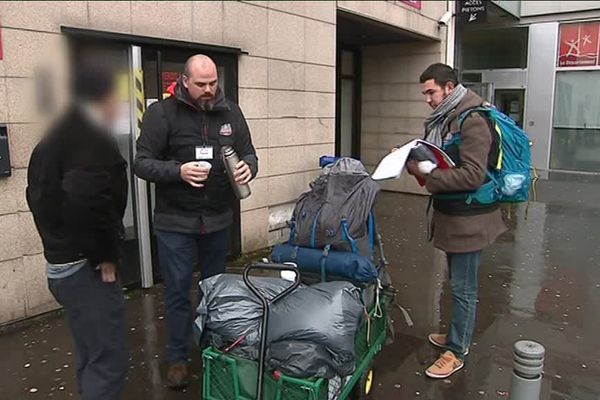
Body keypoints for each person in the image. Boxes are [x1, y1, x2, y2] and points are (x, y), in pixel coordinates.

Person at [133, 54, 258, 388]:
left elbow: (249, 153)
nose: (208, 90)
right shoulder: (162, 113)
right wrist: (178, 171)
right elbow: (141, 163)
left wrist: (249, 167)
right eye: (201, 84)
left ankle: (213, 351)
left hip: (217, 220)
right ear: (184, 81)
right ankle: (177, 358)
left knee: (216, 292)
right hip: (176, 223)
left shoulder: (231, 111)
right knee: (177, 291)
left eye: (213, 83)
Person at [26, 61, 129, 399]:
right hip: (87, 269)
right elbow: (86, 199)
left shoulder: (56, 136)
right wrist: (105, 256)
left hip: (62, 267)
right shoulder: (89, 136)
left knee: (90, 355)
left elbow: (37, 196)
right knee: (107, 360)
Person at [406, 63, 507, 379]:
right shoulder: (448, 118)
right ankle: (453, 336)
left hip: (470, 222)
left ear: (449, 88)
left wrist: (427, 173)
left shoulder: (472, 120)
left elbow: (473, 175)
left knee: (463, 289)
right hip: (455, 217)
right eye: (425, 93)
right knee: (456, 285)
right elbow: (445, 157)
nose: (428, 99)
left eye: (431, 92)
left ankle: (457, 351)